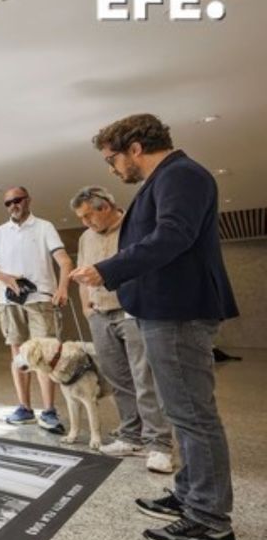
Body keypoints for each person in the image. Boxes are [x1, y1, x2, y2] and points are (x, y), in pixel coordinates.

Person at [71, 114, 241, 540]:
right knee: (181, 409)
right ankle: (190, 494)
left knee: (192, 414)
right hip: (165, 310)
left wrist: (107, 270)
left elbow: (173, 236)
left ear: (134, 148)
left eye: (112, 159)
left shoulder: (181, 174)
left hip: (180, 310)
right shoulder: (167, 179)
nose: (113, 169)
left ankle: (209, 522)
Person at [70, 186, 173, 474]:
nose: (85, 222)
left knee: (145, 377)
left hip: (133, 310)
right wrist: (87, 309)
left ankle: (160, 445)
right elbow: (82, 275)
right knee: (118, 377)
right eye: (81, 217)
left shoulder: (136, 227)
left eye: (88, 215)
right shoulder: (85, 238)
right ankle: (131, 436)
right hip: (99, 313)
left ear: (105, 207)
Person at [0, 186, 73, 432]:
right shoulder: (0, 232)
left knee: (44, 356)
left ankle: (49, 411)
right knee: (18, 356)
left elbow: (64, 261)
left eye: (17, 200)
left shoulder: (44, 227)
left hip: (41, 301)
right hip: (10, 302)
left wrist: (63, 287)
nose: (13, 205)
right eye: (8, 203)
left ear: (28, 200)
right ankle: (24, 408)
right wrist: (7, 278)